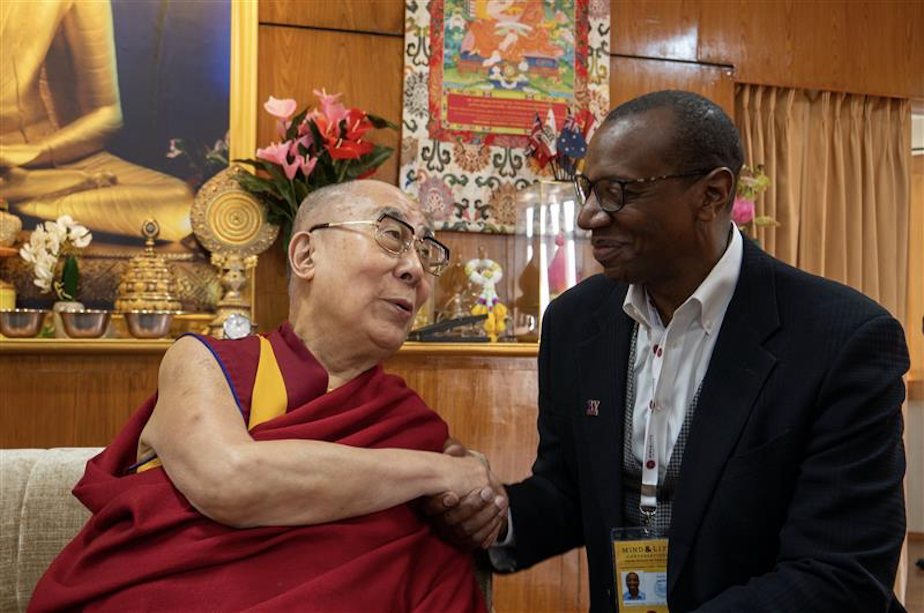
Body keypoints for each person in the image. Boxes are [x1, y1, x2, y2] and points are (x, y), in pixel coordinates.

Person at [426, 91, 909, 612]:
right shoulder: (574, 324)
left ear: (712, 195)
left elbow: (839, 575)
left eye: (617, 192)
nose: (589, 216)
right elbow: (569, 490)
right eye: (587, 189)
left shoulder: (840, 339)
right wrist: (493, 513)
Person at [30, 180, 507, 612]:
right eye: (393, 236)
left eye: (426, 253)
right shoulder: (203, 362)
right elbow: (229, 480)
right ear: (305, 256)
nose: (414, 270)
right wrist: (437, 471)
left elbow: (456, 524)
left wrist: (477, 507)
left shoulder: (410, 424)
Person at [1, 0, 194, 242]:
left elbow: (106, 113)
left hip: (45, 156)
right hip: (13, 165)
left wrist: (28, 154)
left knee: (180, 203)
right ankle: (16, 191)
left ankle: (20, 191)